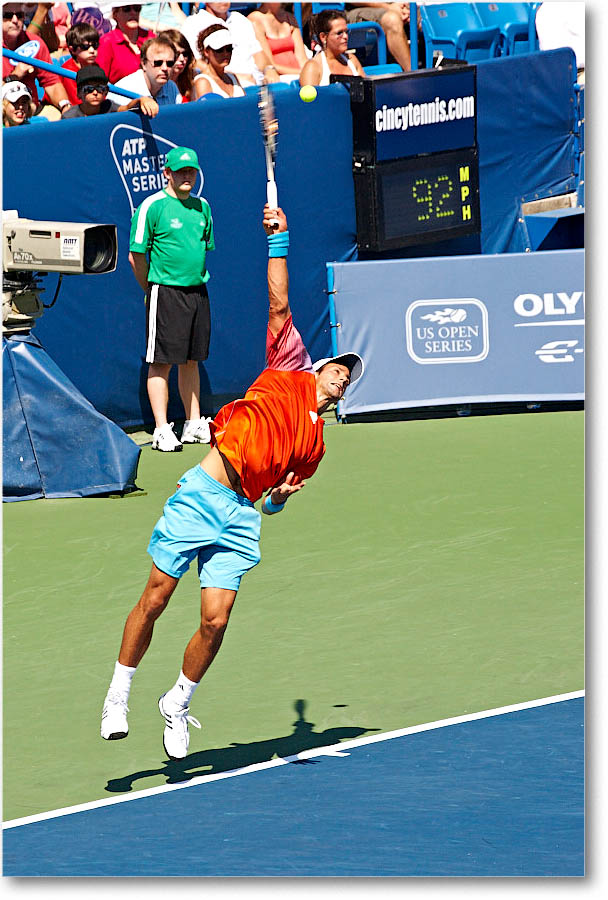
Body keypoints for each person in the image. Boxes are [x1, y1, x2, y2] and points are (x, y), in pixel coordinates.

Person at [101, 202, 364, 760]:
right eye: (338, 368)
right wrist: (279, 240)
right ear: (317, 366)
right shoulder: (286, 368)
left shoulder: (314, 447)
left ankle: (177, 701)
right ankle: (118, 692)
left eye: (348, 379)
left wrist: (279, 503)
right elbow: (279, 302)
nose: (341, 378)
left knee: (216, 621)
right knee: (156, 596)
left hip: (243, 515)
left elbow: (271, 502)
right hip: (203, 493)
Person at [128, 146, 214, 453]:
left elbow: (202, 250)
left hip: (197, 293)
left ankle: (193, 423)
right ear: (167, 173)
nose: (187, 176)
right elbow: (136, 256)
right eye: (181, 171)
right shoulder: (151, 206)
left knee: (192, 360)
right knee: (161, 362)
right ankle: (162, 429)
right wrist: (150, 291)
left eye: (191, 171)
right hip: (165, 292)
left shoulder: (202, 207)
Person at [180, 1, 278, 87]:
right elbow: (194, 62)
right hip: (224, 85)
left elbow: (258, 53)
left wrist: (269, 69)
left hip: (258, 82)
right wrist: (231, 77)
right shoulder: (192, 23)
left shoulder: (240, 19)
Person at [2, 3, 71, 115]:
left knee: (59, 118)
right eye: (7, 15)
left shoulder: (34, 42)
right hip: (4, 112)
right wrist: (14, 77)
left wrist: (65, 106)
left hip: (32, 109)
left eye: (19, 15)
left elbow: (51, 82)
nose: (15, 20)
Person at [61, 61, 159, 117]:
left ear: (106, 92)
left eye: (100, 88)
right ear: (79, 93)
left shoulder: (108, 106)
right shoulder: (69, 117)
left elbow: (126, 108)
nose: (95, 92)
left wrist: (142, 99)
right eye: (89, 89)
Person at [299, 8, 365, 87]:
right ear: (323, 37)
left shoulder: (352, 60)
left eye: (346, 32)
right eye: (339, 33)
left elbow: (367, 91)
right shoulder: (312, 68)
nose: (345, 36)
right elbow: (309, 99)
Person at [112, 34, 182, 104]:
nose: (165, 68)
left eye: (169, 63)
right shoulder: (124, 89)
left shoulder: (172, 88)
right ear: (144, 64)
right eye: (158, 63)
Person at [247, 2, 308, 81]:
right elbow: (269, 64)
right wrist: (301, 73)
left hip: (300, 75)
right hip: (278, 79)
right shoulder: (254, 20)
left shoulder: (290, 17)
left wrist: (307, 73)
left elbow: (302, 58)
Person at [344, 2, 413, 72]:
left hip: (401, 5)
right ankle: (413, 75)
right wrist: (388, 7)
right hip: (360, 7)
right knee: (392, 20)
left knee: (422, 14)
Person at [96, 3, 155, 84]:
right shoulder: (106, 42)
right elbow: (100, 80)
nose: (133, 13)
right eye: (126, 9)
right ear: (115, 14)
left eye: (137, 8)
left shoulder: (151, 38)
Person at [192, 25, 245, 100]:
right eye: (219, 50)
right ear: (206, 52)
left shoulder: (232, 77)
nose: (226, 53)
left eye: (229, 49)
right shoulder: (202, 82)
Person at [60, 21, 101, 106]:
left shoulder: (96, 67)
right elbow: (76, 101)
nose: (92, 51)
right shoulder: (68, 71)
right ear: (72, 50)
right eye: (85, 47)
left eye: (95, 45)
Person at [164, 27, 196, 101]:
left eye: (185, 54)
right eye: (176, 54)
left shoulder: (190, 79)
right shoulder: (156, 84)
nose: (182, 59)